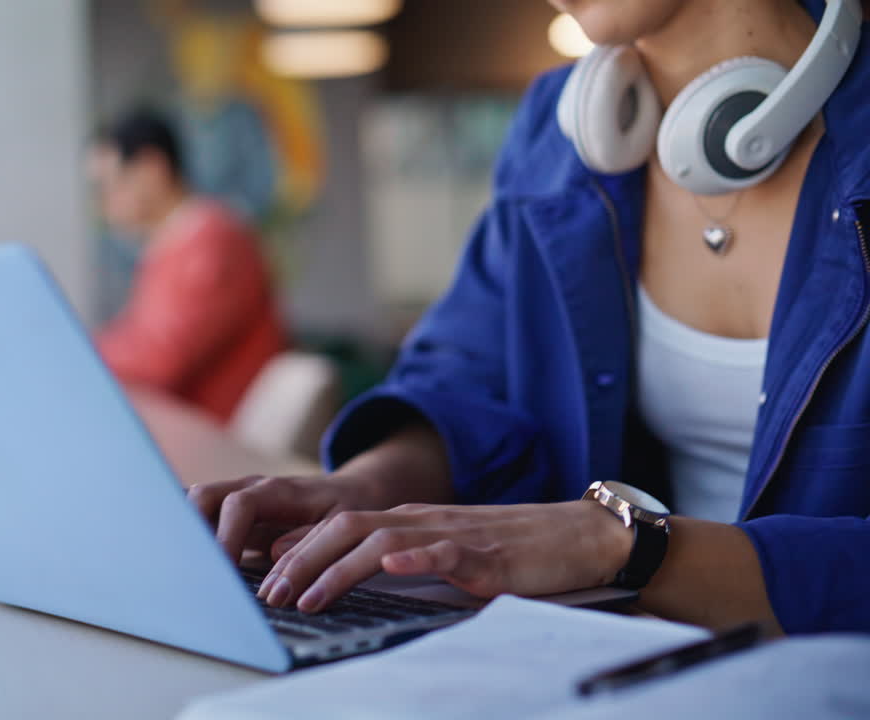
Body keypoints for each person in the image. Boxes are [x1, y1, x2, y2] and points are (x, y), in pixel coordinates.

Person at [189, 0, 870, 636]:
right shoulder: (559, 132)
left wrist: (626, 548)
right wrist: (365, 489)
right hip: (627, 661)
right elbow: (465, 374)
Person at [90, 108, 286, 423]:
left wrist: (82, 352)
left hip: (217, 439)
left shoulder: (211, 239)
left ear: (152, 169)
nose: (103, 204)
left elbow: (160, 360)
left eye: (107, 185)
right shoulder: (178, 240)